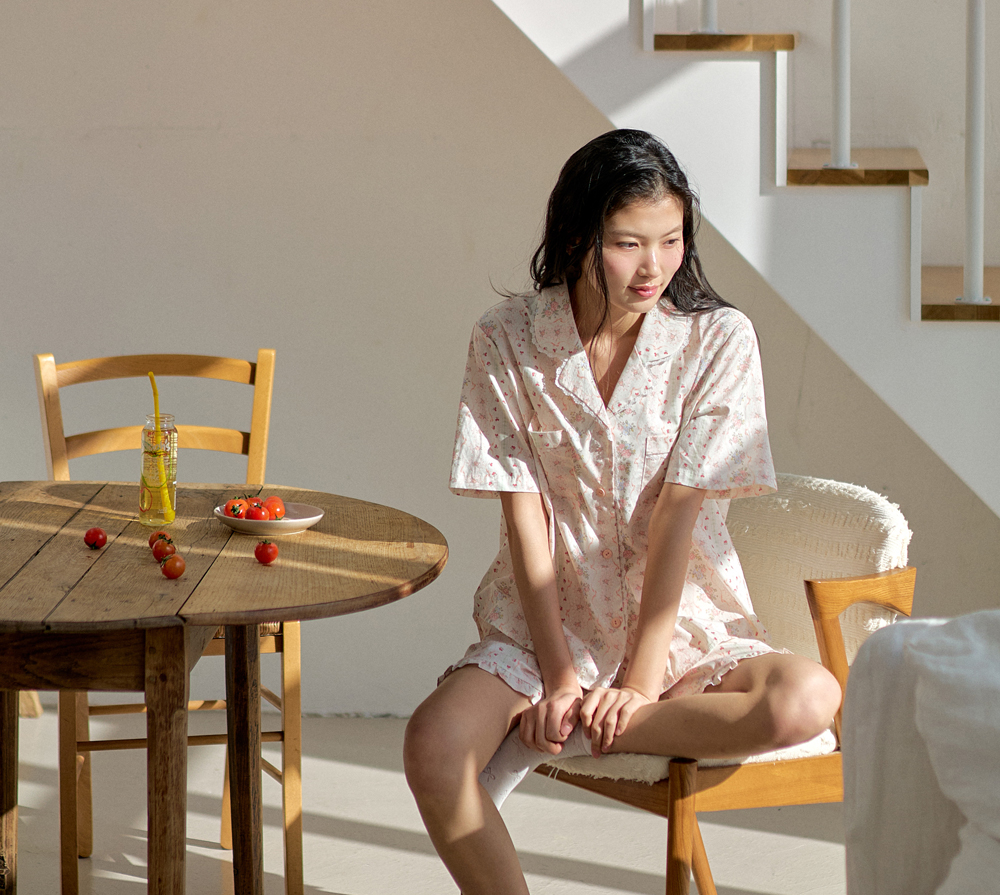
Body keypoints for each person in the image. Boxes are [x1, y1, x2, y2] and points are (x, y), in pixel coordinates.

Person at [404, 128, 842, 895]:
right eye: (628, 244)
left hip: (679, 630)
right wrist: (561, 677)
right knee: (431, 746)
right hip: (544, 631)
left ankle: (588, 731)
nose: (654, 267)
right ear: (578, 237)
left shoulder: (716, 339)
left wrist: (635, 689)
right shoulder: (507, 338)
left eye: (671, 240)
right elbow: (527, 520)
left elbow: (678, 515)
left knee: (811, 697)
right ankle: (570, 720)